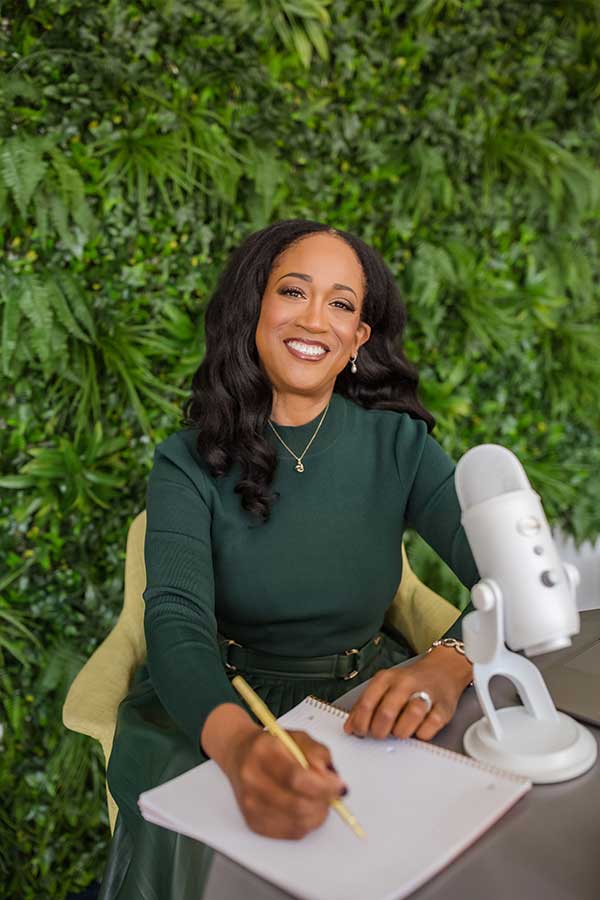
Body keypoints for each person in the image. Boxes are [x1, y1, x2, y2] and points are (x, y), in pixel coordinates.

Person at [99, 219, 477, 899]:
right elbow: (178, 622)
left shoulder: (402, 447)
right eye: (293, 291)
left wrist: (450, 660)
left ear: (359, 338)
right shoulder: (184, 461)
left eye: (340, 304)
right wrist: (241, 748)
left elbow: (504, 579)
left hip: (368, 701)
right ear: (255, 311)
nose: (314, 319)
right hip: (225, 702)